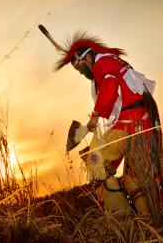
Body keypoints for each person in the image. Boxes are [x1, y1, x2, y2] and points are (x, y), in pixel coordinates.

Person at [55, 31, 163, 218]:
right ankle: (141, 219)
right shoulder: (107, 65)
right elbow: (111, 94)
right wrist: (95, 122)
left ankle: (130, 217)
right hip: (130, 125)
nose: (81, 73)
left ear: (86, 57)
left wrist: (96, 116)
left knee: (99, 161)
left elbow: (110, 86)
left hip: (136, 126)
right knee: (120, 174)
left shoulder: (103, 63)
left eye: (79, 68)